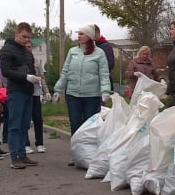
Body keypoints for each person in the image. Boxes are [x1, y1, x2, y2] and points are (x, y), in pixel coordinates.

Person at [53, 24, 111, 166]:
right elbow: (65, 72)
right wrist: (58, 89)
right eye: (78, 34)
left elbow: (104, 74)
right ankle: (76, 154)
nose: (78, 36)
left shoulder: (99, 53)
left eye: (82, 34)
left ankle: (90, 155)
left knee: (89, 125)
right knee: (75, 123)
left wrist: (105, 91)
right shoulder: (73, 51)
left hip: (92, 95)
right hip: (73, 94)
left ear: (90, 36)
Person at [0, 22, 43, 169]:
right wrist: (24, 77)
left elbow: (31, 69)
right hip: (16, 90)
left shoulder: (26, 52)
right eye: (24, 36)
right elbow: (6, 71)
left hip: (28, 91)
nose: (26, 40)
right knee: (15, 125)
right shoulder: (7, 49)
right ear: (17, 33)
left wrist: (35, 79)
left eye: (28, 38)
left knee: (24, 125)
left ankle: (22, 154)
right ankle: (15, 157)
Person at [25, 40, 51, 154]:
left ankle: (40, 143)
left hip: (36, 94)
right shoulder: (20, 61)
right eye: (26, 46)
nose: (28, 48)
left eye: (30, 46)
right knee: (25, 120)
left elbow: (42, 78)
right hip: (25, 94)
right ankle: (25, 144)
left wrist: (46, 92)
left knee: (38, 120)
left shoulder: (36, 62)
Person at [94, 25, 115, 90]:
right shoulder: (91, 46)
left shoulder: (105, 46)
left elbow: (110, 64)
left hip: (102, 82)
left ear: (97, 33)